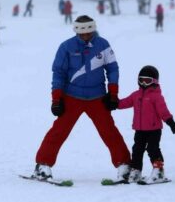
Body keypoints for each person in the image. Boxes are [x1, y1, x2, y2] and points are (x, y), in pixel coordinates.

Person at [32, 15, 131, 181]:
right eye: (82, 33)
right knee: (59, 131)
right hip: (72, 96)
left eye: (89, 32)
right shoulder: (66, 47)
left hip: (97, 97)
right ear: (76, 31)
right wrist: (57, 99)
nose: (86, 36)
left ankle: (125, 165)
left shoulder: (103, 45)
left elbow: (113, 69)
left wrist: (113, 93)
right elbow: (59, 73)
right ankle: (43, 165)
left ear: (93, 29)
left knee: (109, 131)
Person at [118, 65, 175, 183]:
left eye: (147, 81)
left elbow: (163, 111)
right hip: (139, 130)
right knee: (137, 150)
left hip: (154, 130)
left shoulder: (156, 96)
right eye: (141, 80)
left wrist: (171, 123)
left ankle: (159, 171)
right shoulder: (135, 95)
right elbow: (124, 103)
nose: (143, 83)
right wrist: (113, 103)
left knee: (152, 149)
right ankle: (136, 171)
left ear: (154, 81)